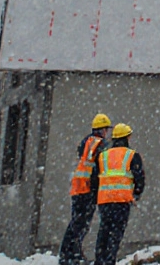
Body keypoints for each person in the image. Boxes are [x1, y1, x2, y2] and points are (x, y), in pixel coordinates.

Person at [59, 113, 112, 265]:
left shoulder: (87, 141)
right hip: (87, 188)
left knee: (77, 222)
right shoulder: (100, 144)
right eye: (106, 129)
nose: (107, 133)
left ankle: (71, 253)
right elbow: (99, 167)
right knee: (81, 223)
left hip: (79, 186)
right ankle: (70, 255)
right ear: (102, 129)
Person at [93, 123, 145, 265]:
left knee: (104, 231)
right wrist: (136, 194)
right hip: (121, 201)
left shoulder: (103, 156)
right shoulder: (131, 155)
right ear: (127, 137)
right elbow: (139, 177)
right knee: (115, 235)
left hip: (104, 201)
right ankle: (109, 261)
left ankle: (100, 260)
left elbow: (94, 178)